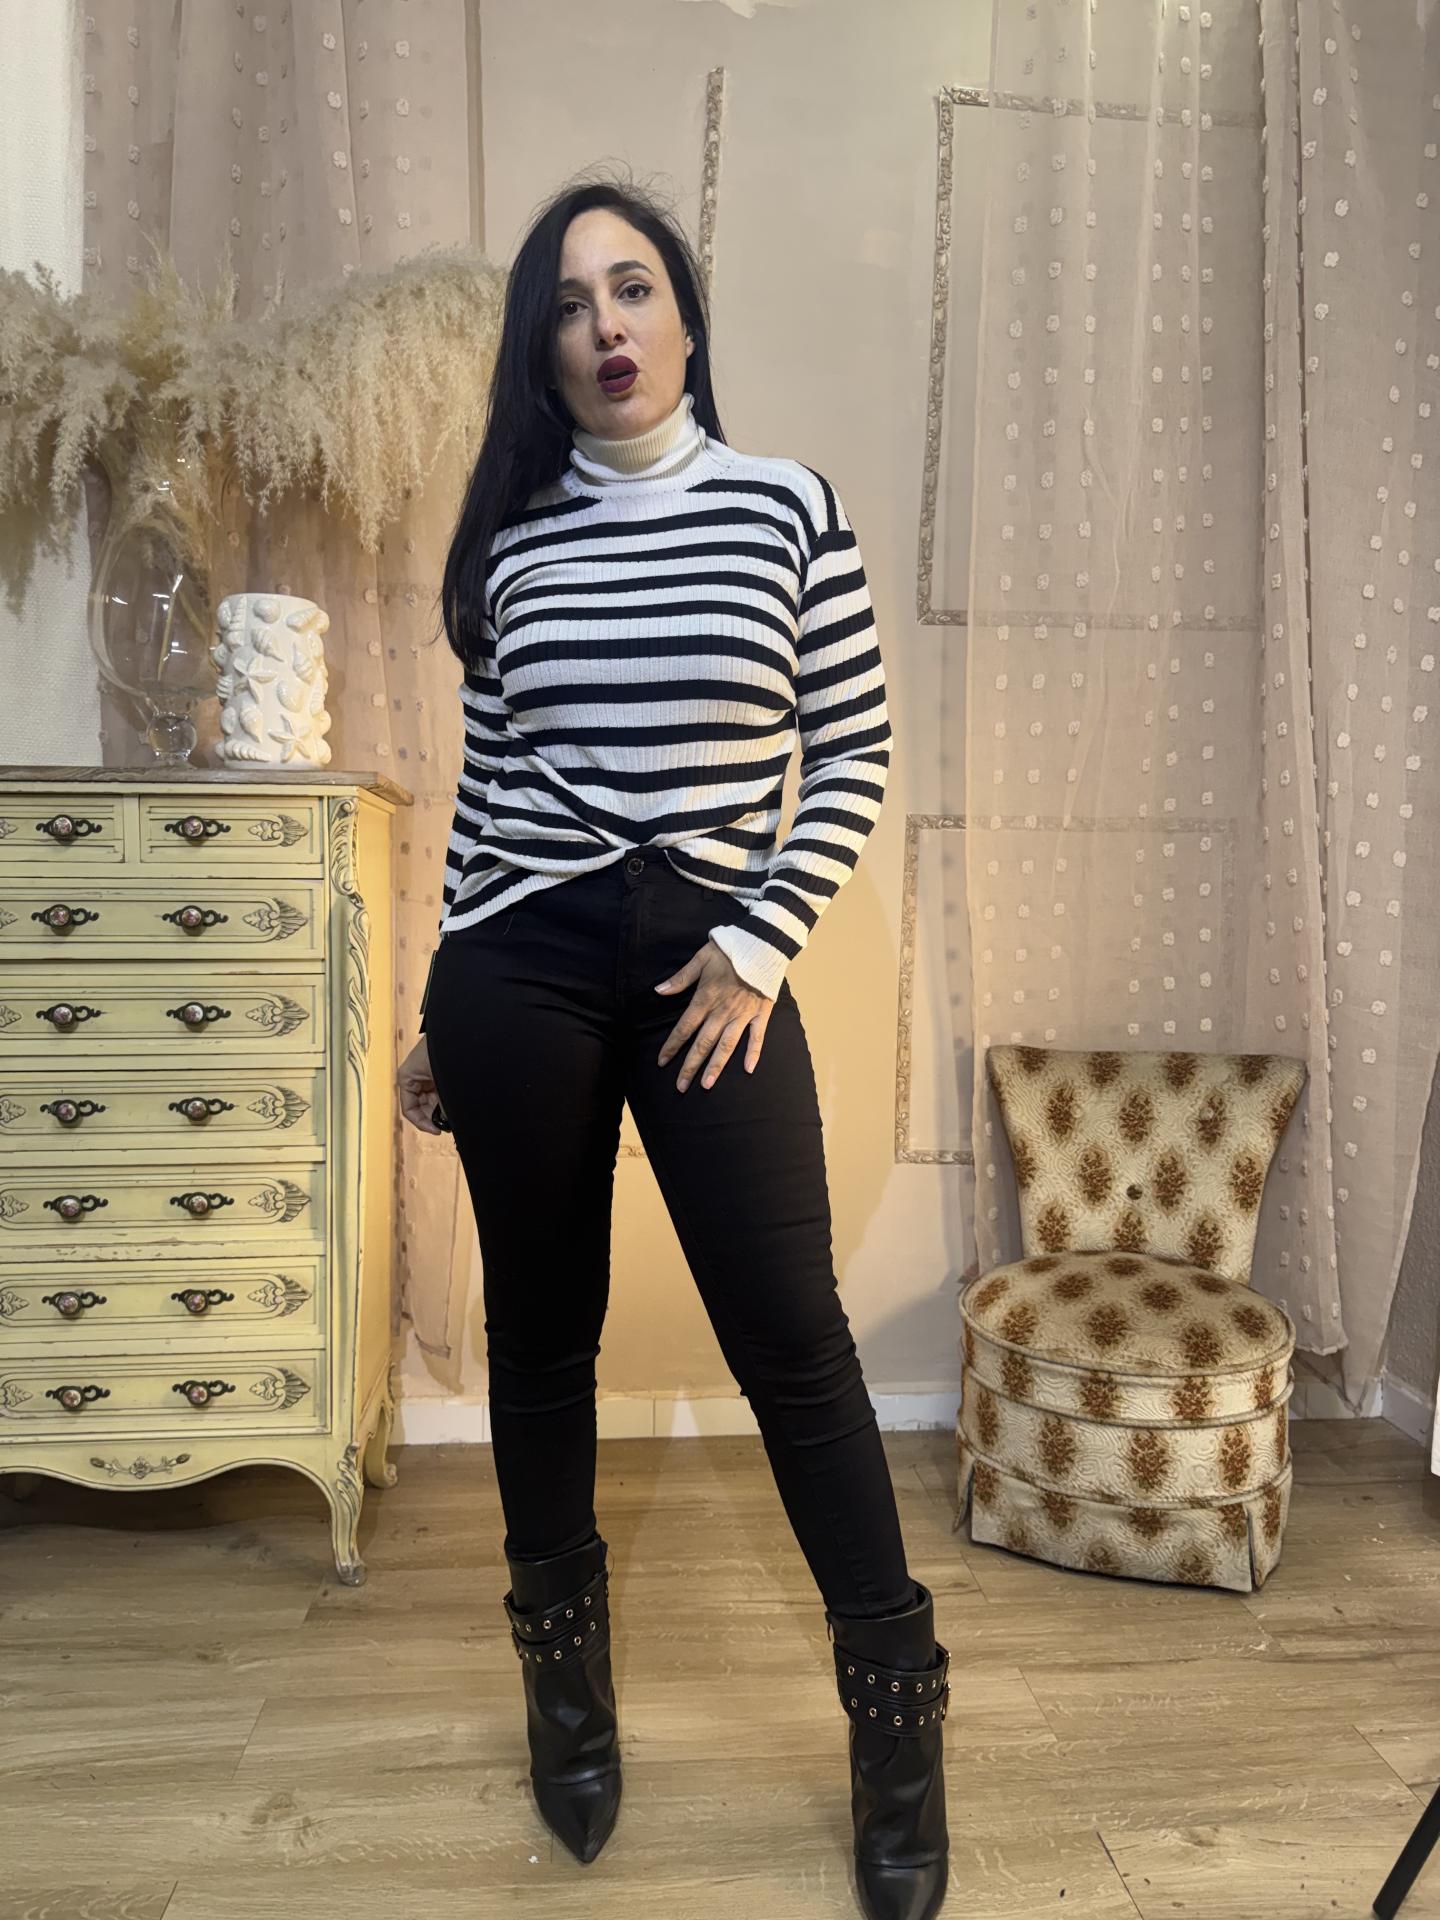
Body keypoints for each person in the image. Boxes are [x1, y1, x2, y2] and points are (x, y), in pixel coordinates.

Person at [397, 176, 950, 1920]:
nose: (607, 326)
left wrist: (759, 943)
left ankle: (898, 1718)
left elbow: (853, 752)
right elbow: (489, 800)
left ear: (688, 318)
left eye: (632, 288)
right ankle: (564, 1687)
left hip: (711, 963)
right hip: (522, 968)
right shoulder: (511, 546)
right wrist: (435, 1007)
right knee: (542, 1335)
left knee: (790, 1336)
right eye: (569, 305)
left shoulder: (786, 507)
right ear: (542, 352)